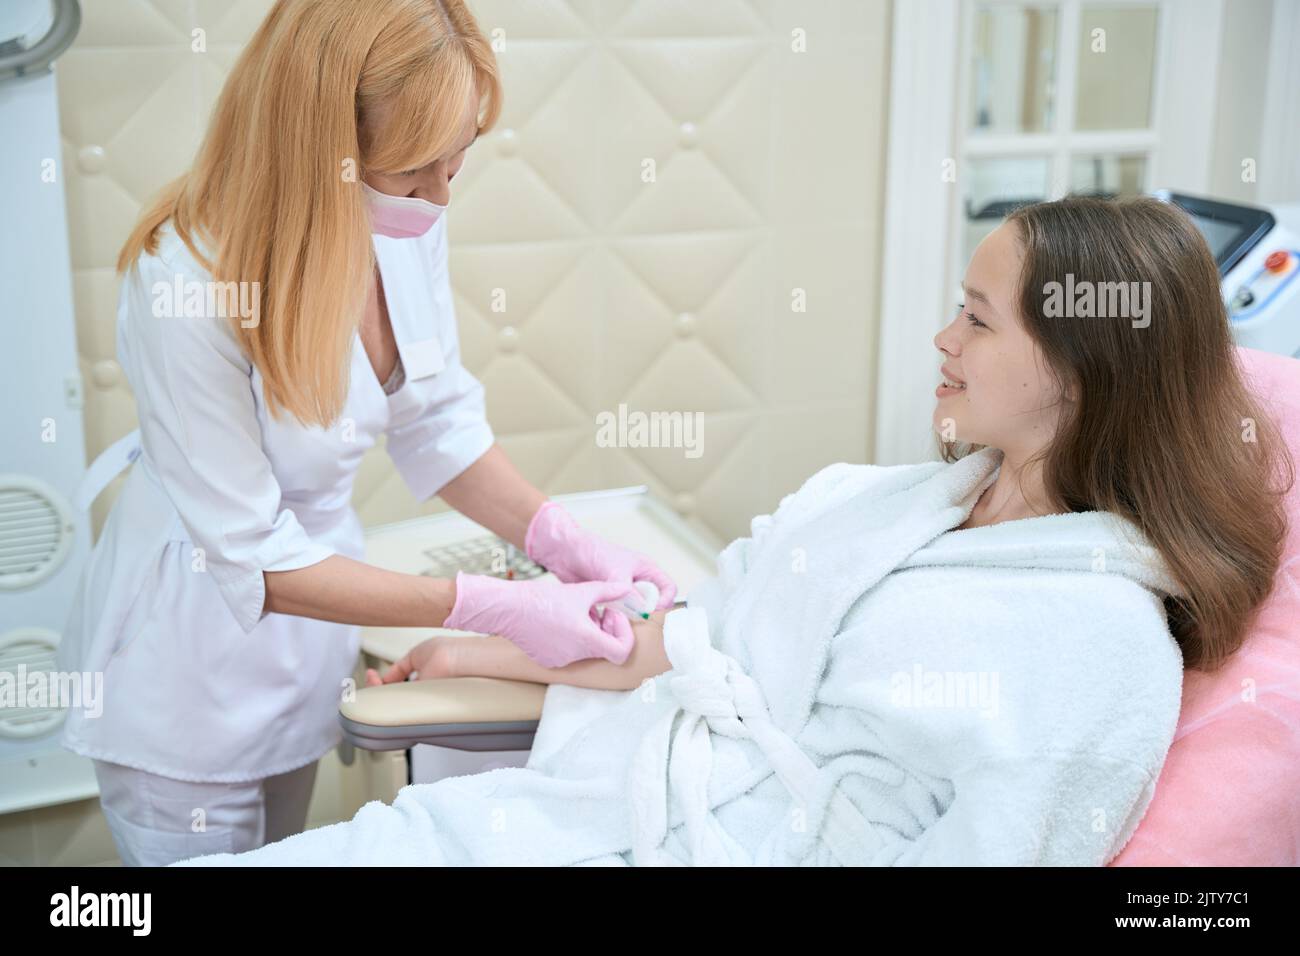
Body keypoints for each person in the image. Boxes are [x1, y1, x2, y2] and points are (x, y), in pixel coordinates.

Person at [179, 194, 1292, 866]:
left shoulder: (1098, 650)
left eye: (977, 317)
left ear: (1078, 371)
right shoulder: (881, 504)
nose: (941, 337)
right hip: (591, 809)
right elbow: (698, 641)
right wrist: (485, 642)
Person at [55, 0, 675, 867]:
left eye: (458, 158)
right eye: (418, 169)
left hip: (306, 647)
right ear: (323, 152)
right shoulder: (184, 283)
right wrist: (495, 608)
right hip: (188, 671)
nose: (443, 193)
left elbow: (438, 423)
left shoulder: (402, 217)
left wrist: (563, 541)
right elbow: (256, 558)